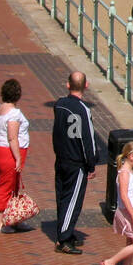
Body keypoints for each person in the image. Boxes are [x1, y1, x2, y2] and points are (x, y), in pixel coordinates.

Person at [51, 71, 98, 254]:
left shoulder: (59, 105)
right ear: (86, 86)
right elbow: (88, 138)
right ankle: (63, 238)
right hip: (76, 161)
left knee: (62, 196)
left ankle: (66, 232)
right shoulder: (83, 109)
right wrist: (91, 163)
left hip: (61, 158)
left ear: (68, 84)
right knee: (73, 200)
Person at [0, 78, 30, 232]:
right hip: (9, 153)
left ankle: (13, 218)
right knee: (6, 186)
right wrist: (18, 158)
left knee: (12, 185)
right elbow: (12, 137)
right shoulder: (14, 113)